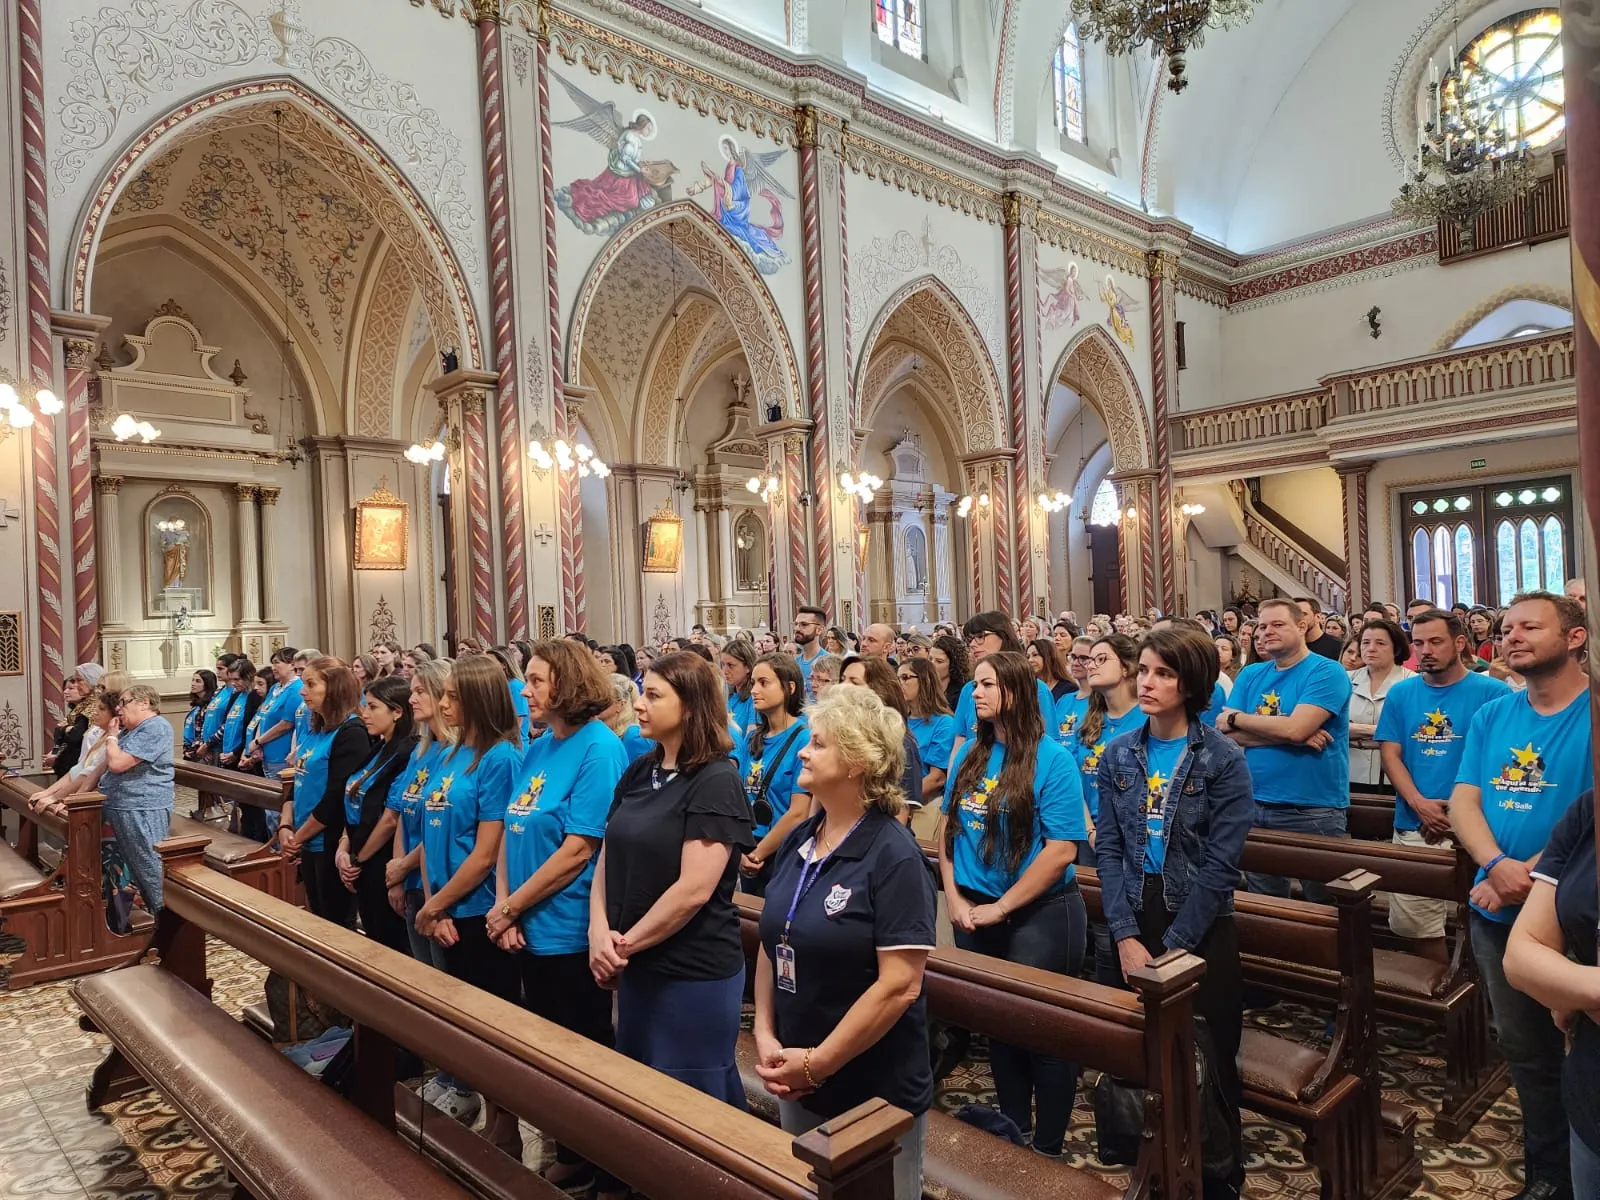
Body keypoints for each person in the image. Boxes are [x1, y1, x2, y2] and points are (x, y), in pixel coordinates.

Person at [754, 685, 935, 1200]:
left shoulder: (892, 856)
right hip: (795, 1065)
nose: (803, 752)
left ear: (856, 762)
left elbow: (900, 986)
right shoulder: (801, 839)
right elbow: (774, 939)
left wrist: (819, 1063)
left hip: (871, 1084)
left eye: (818, 744)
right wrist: (767, 1036)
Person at [1095, 626, 1251, 1199]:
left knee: (1212, 1060)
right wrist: (1125, 935)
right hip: (1136, 914)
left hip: (1201, 925)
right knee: (1138, 1058)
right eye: (1144, 671)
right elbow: (1109, 851)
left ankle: (1218, 1176)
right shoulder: (1119, 753)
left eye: (1164, 673)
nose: (1148, 682)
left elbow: (1221, 865)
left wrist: (1175, 946)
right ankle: (1156, 1168)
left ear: (1191, 683)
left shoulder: (1222, 758)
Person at [1450, 591, 1590, 1200]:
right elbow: (1465, 799)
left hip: (1573, 912)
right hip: (1497, 908)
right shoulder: (1493, 715)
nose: (1512, 637)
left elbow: (1587, 818)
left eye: (1530, 626)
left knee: (1584, 1047)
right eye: (1507, 628)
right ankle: (1548, 1175)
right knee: (1527, 1052)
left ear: (1575, 637)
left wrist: (1530, 874)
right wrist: (1497, 864)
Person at [489, 641, 625, 1189]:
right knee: (544, 1046)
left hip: (568, 928)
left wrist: (512, 907)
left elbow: (578, 849)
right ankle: (563, 1140)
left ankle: (592, 1154)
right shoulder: (540, 745)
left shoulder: (600, 749)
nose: (526, 690)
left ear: (568, 685)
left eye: (537, 680)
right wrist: (505, 906)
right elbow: (510, 825)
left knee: (581, 1049)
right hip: (523, 923)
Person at [940, 651, 1085, 1158]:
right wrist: (955, 896)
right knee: (999, 1028)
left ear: (1016, 693)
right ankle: (1013, 1133)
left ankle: (1048, 1149)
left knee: (1042, 1036)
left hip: (1039, 913)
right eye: (974, 684)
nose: (974, 693)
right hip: (974, 908)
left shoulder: (1053, 759)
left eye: (986, 685)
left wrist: (1000, 909)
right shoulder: (969, 756)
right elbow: (949, 833)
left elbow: (1062, 849)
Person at [1376, 610, 1509, 964]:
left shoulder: (1493, 693)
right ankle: (1443, 1003)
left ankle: (1483, 1005)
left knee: (1487, 920)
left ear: (1460, 643)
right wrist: (1419, 803)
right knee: (1416, 926)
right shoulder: (1402, 693)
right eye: (1418, 643)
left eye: (1435, 642)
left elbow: (1497, 760)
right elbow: (1391, 755)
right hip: (1416, 821)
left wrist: (1458, 811)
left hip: (1482, 825)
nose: (1425, 650)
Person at [1219, 597, 1352, 902]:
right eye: (1262, 627)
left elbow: (1289, 728)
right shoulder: (1252, 674)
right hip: (1254, 802)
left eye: (1278, 624)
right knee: (1268, 902)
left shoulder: (1327, 671)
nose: (1266, 632)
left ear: (1303, 625)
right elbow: (1225, 733)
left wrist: (1240, 718)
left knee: (1326, 904)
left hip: (1312, 807)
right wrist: (1294, 734)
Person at [1504, 791, 1600, 1200]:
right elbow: (1521, 955)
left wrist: (1569, 985)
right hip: (1591, 1092)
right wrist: (1587, 989)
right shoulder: (1588, 811)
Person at [279, 657, 369, 926]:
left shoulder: (352, 732)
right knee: (317, 918)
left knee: (335, 924)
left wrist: (298, 838)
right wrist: (285, 825)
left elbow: (336, 797)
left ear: (334, 688)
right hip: (306, 840)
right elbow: (298, 780)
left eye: (310, 684)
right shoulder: (315, 725)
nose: (302, 691)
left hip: (329, 843)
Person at [333, 676, 415, 954]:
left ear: (397, 712)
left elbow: (391, 817)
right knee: (374, 940)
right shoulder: (378, 747)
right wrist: (344, 846)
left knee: (392, 946)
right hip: (360, 852)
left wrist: (358, 858)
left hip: (380, 856)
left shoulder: (408, 751)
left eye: (372, 707)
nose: (364, 714)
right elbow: (353, 795)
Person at [736, 655, 812, 896]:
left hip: (781, 850)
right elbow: (738, 797)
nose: (755, 690)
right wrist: (740, 852)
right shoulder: (752, 738)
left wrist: (758, 854)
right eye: (754, 683)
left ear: (789, 688)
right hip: (747, 846)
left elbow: (799, 812)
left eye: (764, 683)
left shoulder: (804, 738)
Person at [101, 685, 175, 916]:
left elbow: (118, 764)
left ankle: (165, 916)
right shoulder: (133, 730)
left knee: (149, 864)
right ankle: (155, 913)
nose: (118, 708)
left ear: (144, 703)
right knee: (137, 866)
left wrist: (111, 737)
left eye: (124, 702)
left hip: (142, 806)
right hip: (127, 806)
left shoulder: (156, 727)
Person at [950, 612, 1057, 769]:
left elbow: (1048, 743)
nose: (973, 644)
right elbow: (959, 742)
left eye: (980, 636)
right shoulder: (969, 690)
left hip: (1024, 771)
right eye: (969, 639)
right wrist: (953, 785)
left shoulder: (1035, 688)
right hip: (977, 773)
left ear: (1003, 635)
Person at [1074, 634, 1147, 840]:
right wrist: (1090, 832)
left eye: (1101, 659)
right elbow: (1074, 782)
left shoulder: (1148, 718)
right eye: (1090, 660)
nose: (1090, 666)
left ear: (1126, 667)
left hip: (1135, 833)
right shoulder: (1087, 721)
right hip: (1090, 830)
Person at [841, 657, 924, 814]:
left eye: (854, 682)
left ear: (877, 690)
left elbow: (900, 813)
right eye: (842, 679)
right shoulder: (835, 736)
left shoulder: (901, 743)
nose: (843, 687)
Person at [1346, 619, 1414, 787]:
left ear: (1396, 648)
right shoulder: (1345, 679)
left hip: (1396, 777)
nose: (1371, 648)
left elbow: (1410, 732)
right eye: (1365, 642)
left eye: (1380, 643)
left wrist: (1354, 732)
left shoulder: (1413, 683)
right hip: (1349, 772)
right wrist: (1381, 732)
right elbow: (1332, 726)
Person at [900, 658, 954, 801]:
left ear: (925, 680)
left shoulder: (944, 723)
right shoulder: (899, 720)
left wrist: (901, 802)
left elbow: (937, 779)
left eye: (905, 678)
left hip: (923, 804)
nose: (900, 683)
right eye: (897, 678)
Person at [721, 638, 758, 738]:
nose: (724, 671)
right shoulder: (728, 695)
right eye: (723, 665)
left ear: (748, 667)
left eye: (730, 665)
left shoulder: (755, 698)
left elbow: (751, 739)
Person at [181, 669, 219, 759]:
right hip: (190, 749)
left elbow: (204, 731)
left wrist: (196, 749)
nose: (193, 684)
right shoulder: (197, 706)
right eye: (193, 680)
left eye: (198, 681)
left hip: (202, 751)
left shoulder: (210, 705)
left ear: (207, 684)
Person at [930, 634, 969, 712]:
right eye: (930, 659)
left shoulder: (963, 691)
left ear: (953, 664)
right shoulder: (922, 686)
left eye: (939, 661)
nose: (932, 664)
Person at [1027, 638, 1073, 703]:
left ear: (1050, 657)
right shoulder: (1028, 687)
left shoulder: (1068, 689)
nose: (1030, 660)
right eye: (1028, 657)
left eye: (1035, 655)